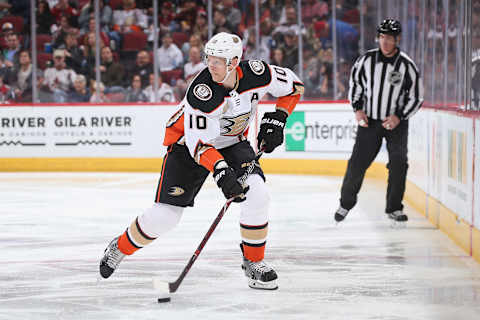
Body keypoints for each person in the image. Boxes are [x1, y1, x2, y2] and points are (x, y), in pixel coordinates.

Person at [99, 32, 304, 290]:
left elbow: (294, 86)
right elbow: (199, 145)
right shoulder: (201, 93)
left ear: (234, 62)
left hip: (232, 142)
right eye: (209, 59)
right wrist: (222, 174)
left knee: (259, 194)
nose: (210, 65)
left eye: (217, 60)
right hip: (189, 147)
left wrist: (279, 118)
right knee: (165, 217)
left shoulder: (257, 73)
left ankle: (254, 262)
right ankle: (120, 247)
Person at [335, 19, 423, 224]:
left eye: (389, 38)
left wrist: (399, 116)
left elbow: (416, 97)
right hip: (370, 122)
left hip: (397, 124)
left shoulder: (407, 66)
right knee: (357, 163)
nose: (384, 42)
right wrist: (358, 110)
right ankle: (345, 203)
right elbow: (355, 85)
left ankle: (394, 208)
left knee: (399, 164)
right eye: (382, 37)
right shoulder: (365, 60)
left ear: (397, 39)